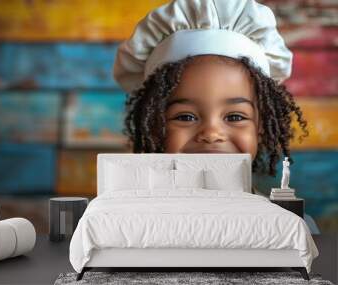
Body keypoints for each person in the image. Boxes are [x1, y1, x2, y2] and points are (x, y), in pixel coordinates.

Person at [113, 0, 319, 233]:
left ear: (260, 126)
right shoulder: (131, 227)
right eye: (185, 117)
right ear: (153, 126)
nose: (211, 134)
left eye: (234, 117)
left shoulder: (290, 229)